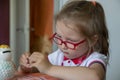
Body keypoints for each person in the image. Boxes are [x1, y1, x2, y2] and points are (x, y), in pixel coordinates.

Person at [17, 0, 109, 80]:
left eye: (71, 41)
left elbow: (95, 77)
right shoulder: (59, 55)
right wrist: (28, 66)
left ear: (92, 40)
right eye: (59, 37)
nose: (62, 46)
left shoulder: (95, 59)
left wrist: (49, 68)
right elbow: (40, 69)